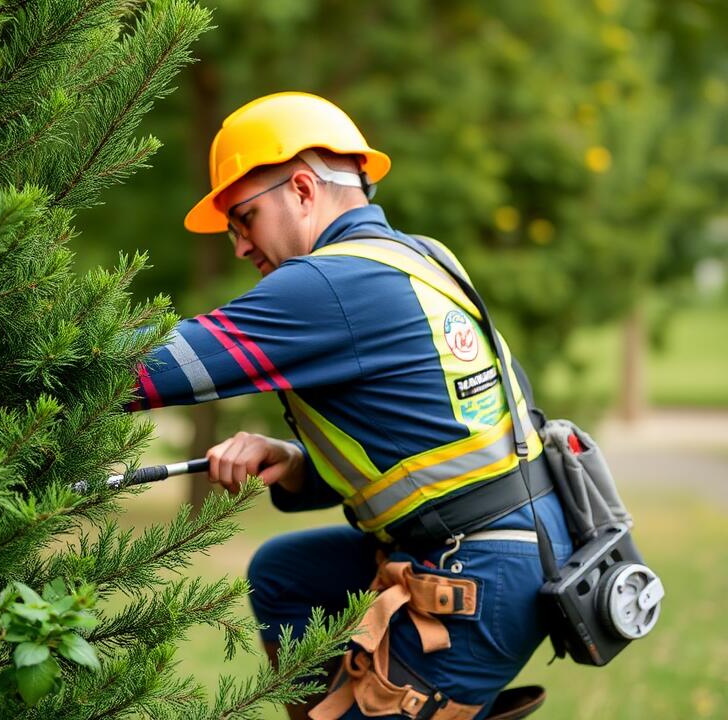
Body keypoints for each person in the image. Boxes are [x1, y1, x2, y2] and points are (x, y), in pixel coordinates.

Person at [127, 92, 573, 719]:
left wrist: (9, 347)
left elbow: (153, 369)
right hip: (523, 541)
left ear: (302, 189)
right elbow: (431, 443)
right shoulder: (422, 258)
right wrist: (295, 461)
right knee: (284, 574)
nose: (239, 246)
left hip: (476, 567)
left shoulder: (330, 282)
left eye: (245, 218)